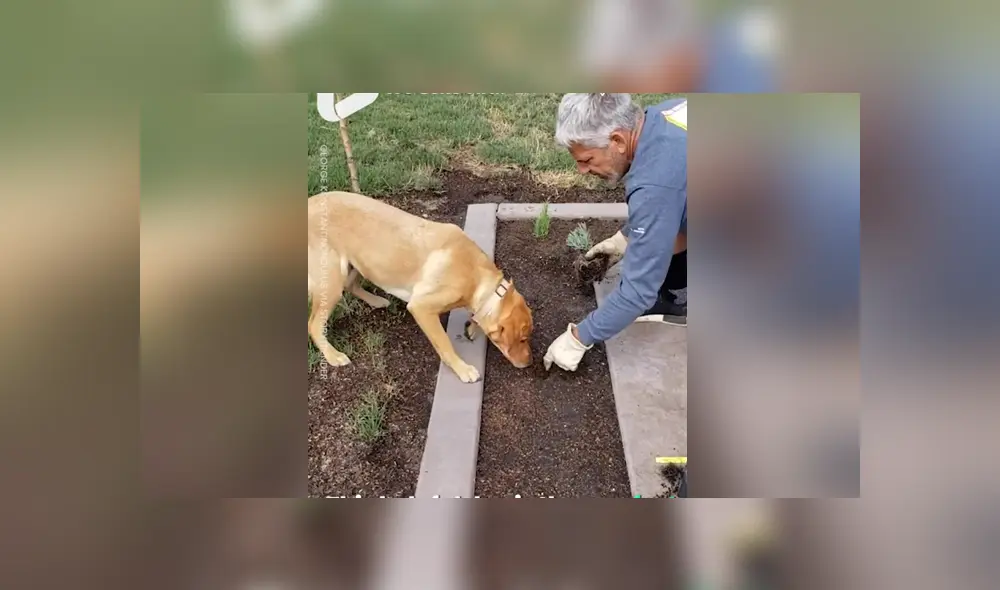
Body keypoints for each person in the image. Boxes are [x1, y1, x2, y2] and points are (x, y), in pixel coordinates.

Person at [544, 93, 687, 373]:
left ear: (618, 141)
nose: (582, 170)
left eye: (587, 159)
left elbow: (637, 292)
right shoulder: (663, 115)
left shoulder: (655, 184)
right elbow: (678, 198)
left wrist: (579, 338)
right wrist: (626, 238)